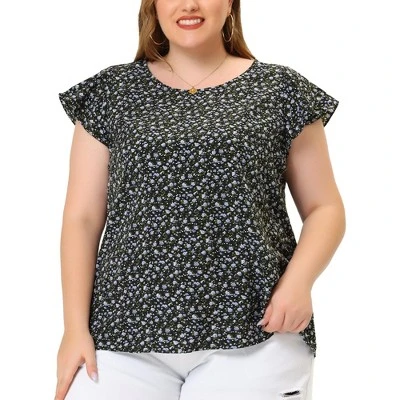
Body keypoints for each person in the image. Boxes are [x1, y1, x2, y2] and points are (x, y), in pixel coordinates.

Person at [55, 0, 345, 399]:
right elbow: (82, 218)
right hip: (122, 334)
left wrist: (299, 283)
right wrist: (74, 329)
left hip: (256, 329)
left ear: (230, 5)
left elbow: (324, 208)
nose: (189, 4)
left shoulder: (280, 90)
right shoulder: (111, 92)